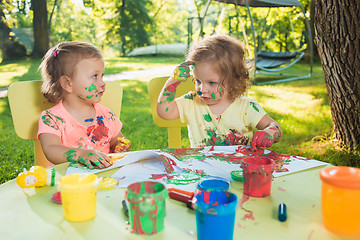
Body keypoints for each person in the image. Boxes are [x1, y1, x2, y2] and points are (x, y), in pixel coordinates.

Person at [157, 34, 282, 150]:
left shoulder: (247, 107)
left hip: (238, 169)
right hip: (202, 169)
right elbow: (164, 112)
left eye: (212, 83)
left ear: (233, 80)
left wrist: (269, 132)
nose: (202, 89)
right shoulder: (192, 102)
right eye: (198, 81)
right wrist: (173, 82)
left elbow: (274, 126)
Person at [37, 41, 131, 169]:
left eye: (101, 76)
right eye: (94, 76)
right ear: (67, 84)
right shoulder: (52, 119)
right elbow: (51, 149)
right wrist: (79, 154)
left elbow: (117, 140)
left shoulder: (106, 114)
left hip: (106, 178)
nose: (102, 83)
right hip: (69, 181)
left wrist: (120, 146)